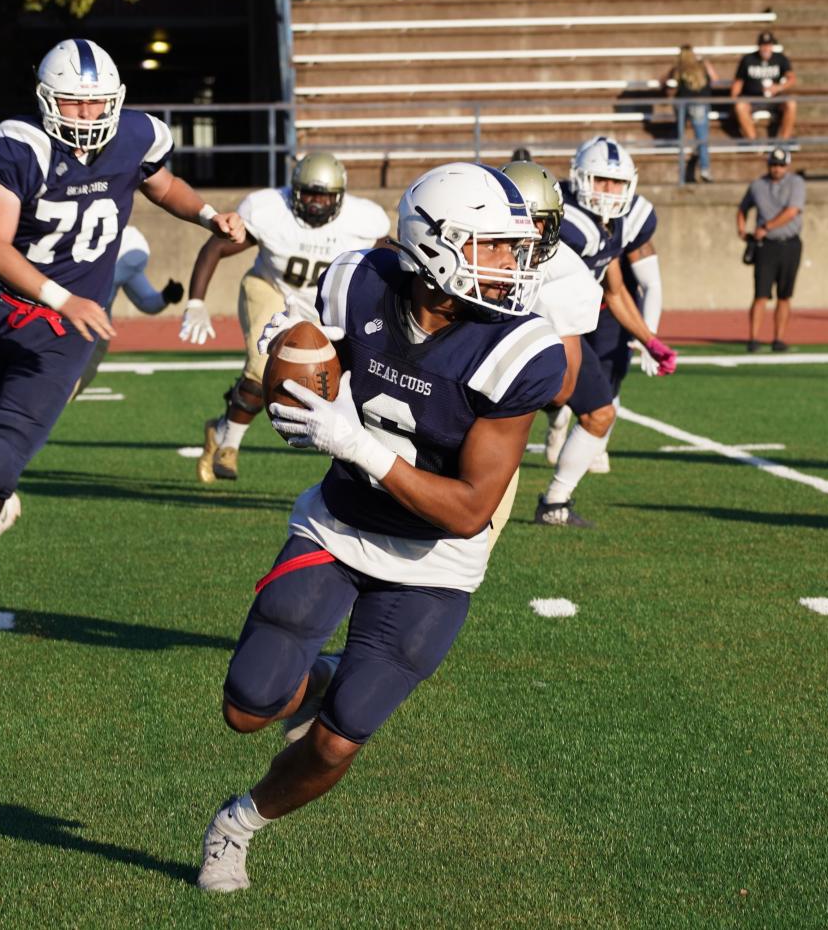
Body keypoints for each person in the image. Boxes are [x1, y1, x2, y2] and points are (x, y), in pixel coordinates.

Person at [195, 162, 565, 894]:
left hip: (435, 561)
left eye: (509, 248)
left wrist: (354, 443)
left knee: (335, 743)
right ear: (434, 244)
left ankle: (235, 826)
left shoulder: (522, 347)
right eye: (490, 246)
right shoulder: (359, 278)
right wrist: (293, 369)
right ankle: (319, 673)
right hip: (337, 524)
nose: (509, 265)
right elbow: (310, 363)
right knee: (246, 709)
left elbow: (468, 509)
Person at [0, 39, 245, 667]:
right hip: (3, 313)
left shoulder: (135, 136)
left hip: (63, 337)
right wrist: (61, 296)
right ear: (49, 100)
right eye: (74, 105)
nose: (87, 116)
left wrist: (209, 214)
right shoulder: (20, 144)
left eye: (97, 104)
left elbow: (164, 186)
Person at [179, 152, 388, 482]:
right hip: (270, 288)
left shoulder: (364, 222)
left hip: (323, 305)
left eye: (324, 196)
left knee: (352, 377)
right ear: (294, 191)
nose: (316, 204)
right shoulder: (269, 210)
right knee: (262, 366)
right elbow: (217, 247)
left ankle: (219, 431)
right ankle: (228, 446)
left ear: (340, 197)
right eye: (309, 194)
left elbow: (389, 265)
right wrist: (195, 302)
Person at [537, 137, 678, 529]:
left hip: (567, 326)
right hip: (533, 326)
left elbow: (615, 291)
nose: (610, 192)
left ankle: (555, 502)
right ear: (581, 178)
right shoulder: (565, 219)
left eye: (617, 183)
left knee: (600, 414)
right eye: (601, 181)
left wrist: (649, 340)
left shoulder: (616, 224)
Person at [486, 159, 600, 546]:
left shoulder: (568, 277)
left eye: (535, 222)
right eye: (514, 219)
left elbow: (562, 389)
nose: (524, 234)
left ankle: (556, 500)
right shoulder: (467, 246)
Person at [71, 224, 184, 396]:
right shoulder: (82, 247)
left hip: (96, 327)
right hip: (65, 318)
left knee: (73, 386)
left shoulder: (129, 250)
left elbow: (145, 300)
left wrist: (165, 297)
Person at [736, 147, 806, 353]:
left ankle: (779, 338)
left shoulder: (796, 183)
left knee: (784, 295)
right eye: (774, 165)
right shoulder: (758, 185)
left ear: (787, 166)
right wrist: (741, 229)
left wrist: (766, 227)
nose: (777, 169)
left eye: (781, 165)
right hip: (765, 247)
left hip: (789, 243)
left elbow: (792, 212)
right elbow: (742, 208)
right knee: (761, 294)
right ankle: (754, 338)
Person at [663, 45, 719, 183]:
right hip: (699, 103)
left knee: (682, 138)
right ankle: (705, 169)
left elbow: (664, 83)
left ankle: (684, 170)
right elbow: (716, 79)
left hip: (683, 104)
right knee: (702, 138)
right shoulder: (701, 66)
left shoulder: (678, 68)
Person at [730, 32, 795, 142]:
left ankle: (783, 141)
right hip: (752, 99)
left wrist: (778, 87)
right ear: (759, 46)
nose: (766, 48)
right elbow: (738, 83)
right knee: (740, 106)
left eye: (768, 45)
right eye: (763, 45)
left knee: (791, 103)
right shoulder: (748, 59)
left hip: (774, 99)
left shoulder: (780, 58)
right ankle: (754, 141)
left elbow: (792, 78)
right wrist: (733, 100)